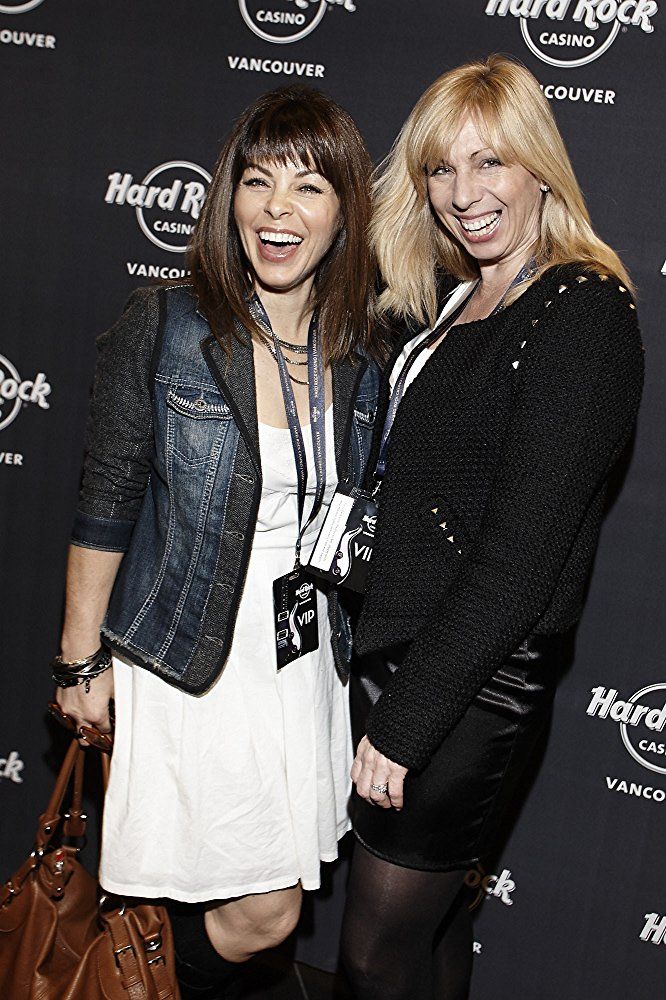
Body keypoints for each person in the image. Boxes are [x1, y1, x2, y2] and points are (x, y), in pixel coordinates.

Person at [53, 86, 380, 999]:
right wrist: (80, 661)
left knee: (259, 909)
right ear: (229, 197)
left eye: (309, 186)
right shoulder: (168, 326)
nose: (279, 207)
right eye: (258, 180)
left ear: (344, 213)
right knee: (263, 913)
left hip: (301, 658)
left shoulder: (359, 354)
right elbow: (106, 500)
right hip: (195, 651)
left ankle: (135, 975)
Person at [340, 56, 644, 1000]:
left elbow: (519, 560)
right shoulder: (459, 299)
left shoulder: (582, 311)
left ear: (539, 169)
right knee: (429, 938)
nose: (463, 194)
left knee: (373, 957)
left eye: (490, 163)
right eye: (440, 168)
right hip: (403, 654)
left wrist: (406, 724)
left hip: (472, 684)